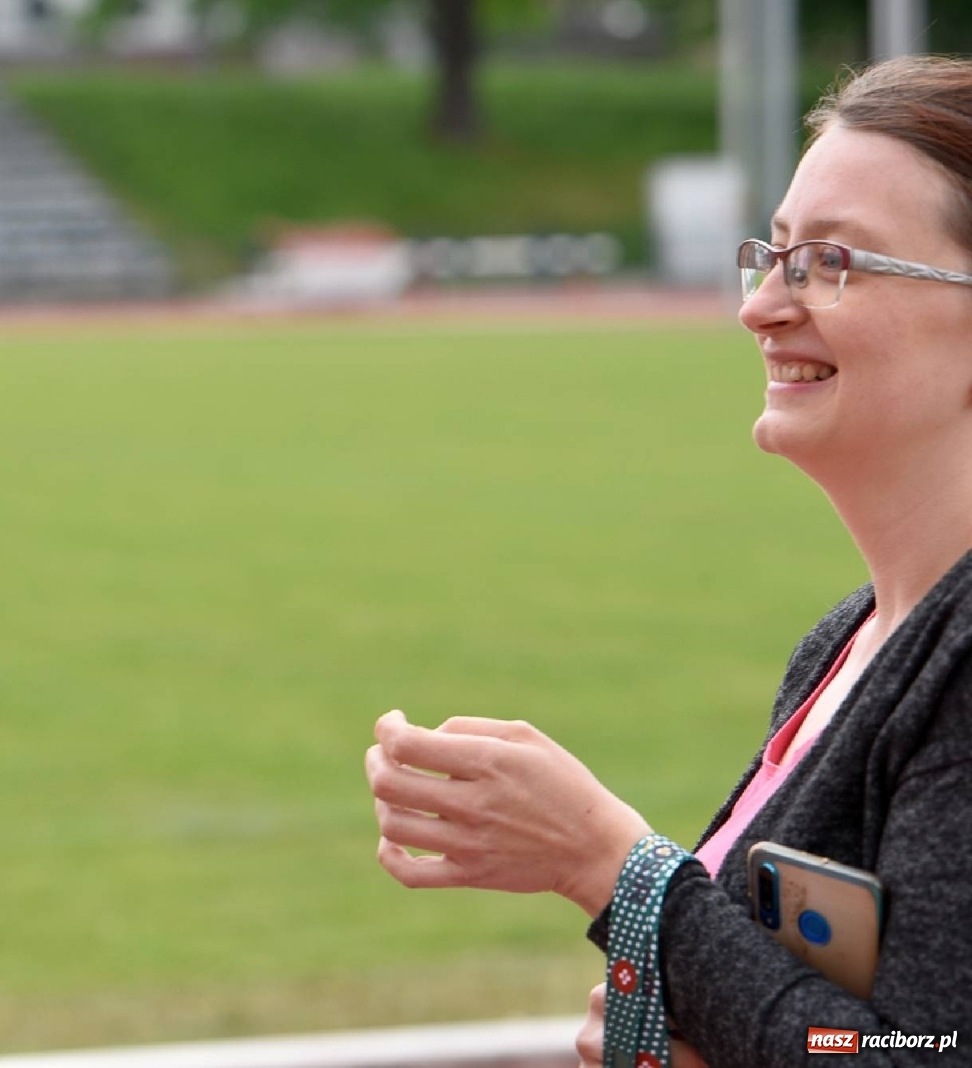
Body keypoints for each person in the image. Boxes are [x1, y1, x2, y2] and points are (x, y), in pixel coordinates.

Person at [365, 55, 972, 1067]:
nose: (762, 308)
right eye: (772, 255)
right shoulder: (848, 641)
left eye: (831, 262)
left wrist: (614, 865)